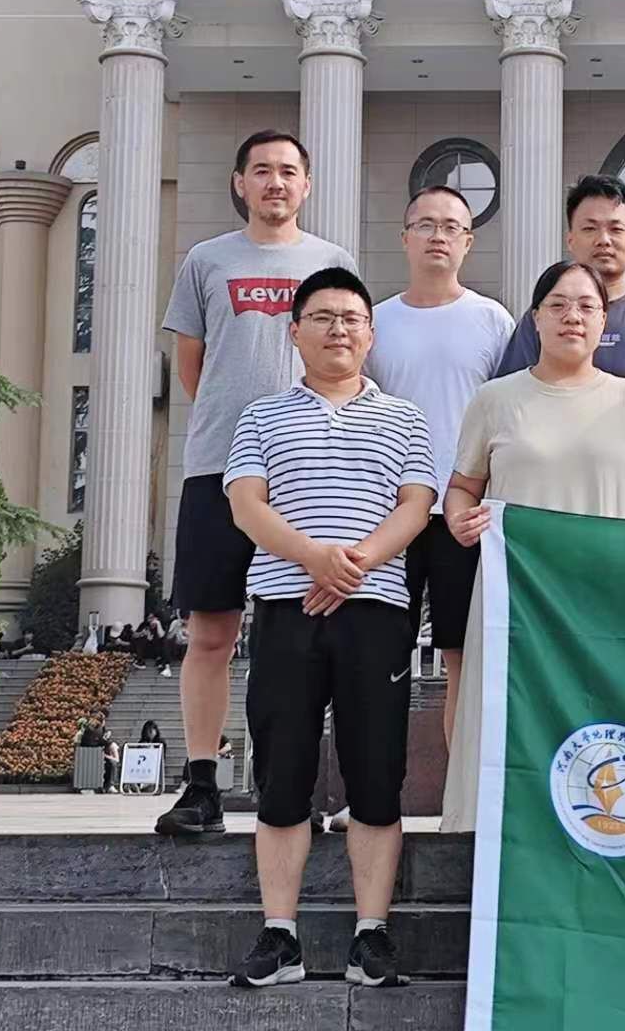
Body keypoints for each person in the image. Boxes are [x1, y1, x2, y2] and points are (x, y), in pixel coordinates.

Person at [222, 266, 436, 989]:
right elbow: (247, 505)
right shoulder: (261, 416)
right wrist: (315, 558)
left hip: (377, 614)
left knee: (376, 773)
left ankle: (371, 936)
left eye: (351, 318)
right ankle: (279, 936)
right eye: (322, 317)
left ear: (370, 334)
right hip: (286, 610)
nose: (338, 329)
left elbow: (416, 506)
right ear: (295, 333)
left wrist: (354, 565)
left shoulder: (405, 418)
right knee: (283, 772)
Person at [157, 130, 357, 839]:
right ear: (240, 182)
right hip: (218, 466)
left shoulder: (332, 261)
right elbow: (192, 365)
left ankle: (288, 785)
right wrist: (239, 424)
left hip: (307, 473)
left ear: (307, 185)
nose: (276, 182)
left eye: (289, 171)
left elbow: (345, 354)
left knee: (298, 637)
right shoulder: (206, 260)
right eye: (262, 170)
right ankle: (201, 784)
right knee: (211, 631)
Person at [442, 261, 625, 832]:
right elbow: (462, 487)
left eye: (587, 307)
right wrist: (459, 520)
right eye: (559, 305)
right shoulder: (495, 400)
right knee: (512, 713)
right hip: (517, 601)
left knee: (600, 722)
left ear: (603, 322)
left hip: (605, 598)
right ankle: (494, 839)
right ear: (536, 318)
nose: (573, 316)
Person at [364, 184, 514, 749]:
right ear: (404, 238)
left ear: (468, 242)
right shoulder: (375, 323)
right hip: (388, 511)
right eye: (425, 224)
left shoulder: (492, 320)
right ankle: (372, 785)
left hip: (465, 513)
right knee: (379, 652)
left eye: (451, 227)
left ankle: (462, 788)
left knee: (462, 657)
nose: (438, 236)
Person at [496, 175, 625, 434]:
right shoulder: (545, 314)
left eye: (616, 229)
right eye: (590, 229)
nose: (603, 240)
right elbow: (516, 393)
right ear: (570, 240)